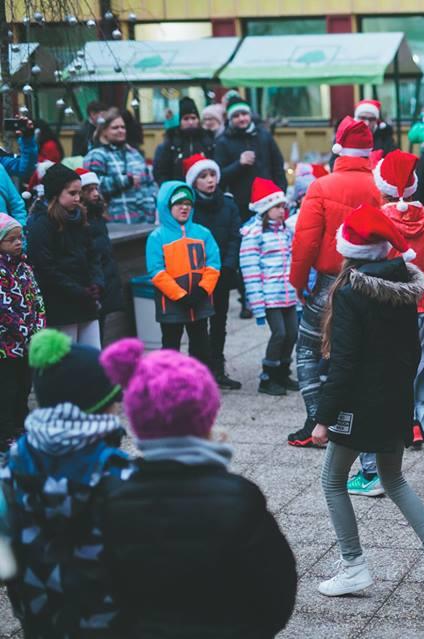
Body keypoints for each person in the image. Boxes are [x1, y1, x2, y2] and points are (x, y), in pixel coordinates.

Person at [98, 338, 297, 636]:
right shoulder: (240, 498)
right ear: (208, 412)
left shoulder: (111, 498)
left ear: (138, 419)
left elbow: (97, 587)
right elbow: (277, 590)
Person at [311, 203, 424, 597]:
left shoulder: (350, 292)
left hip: (358, 405)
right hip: (396, 400)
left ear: (350, 250)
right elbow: (413, 352)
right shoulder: (404, 287)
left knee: (332, 481)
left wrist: (324, 418)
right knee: (393, 478)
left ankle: (353, 566)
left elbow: (344, 362)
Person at [2, 329, 127, 636]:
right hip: (108, 621)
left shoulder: (12, 468)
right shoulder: (117, 474)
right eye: (114, 398)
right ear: (99, 407)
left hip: (38, 617)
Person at [355, 151, 424, 504]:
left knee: (373, 391)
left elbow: (360, 274)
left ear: (381, 187)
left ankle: (370, 473)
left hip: (381, 315)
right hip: (418, 313)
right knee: (421, 398)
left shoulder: (372, 222)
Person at [288, 117, 382, 448]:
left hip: (330, 283)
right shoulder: (380, 187)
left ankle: (315, 420)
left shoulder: (321, 186)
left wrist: (299, 282)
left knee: (308, 349)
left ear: (338, 148)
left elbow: (305, 241)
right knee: (360, 352)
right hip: (372, 281)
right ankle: (353, 421)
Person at [25, 164, 103, 346]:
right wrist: (78, 290)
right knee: (68, 356)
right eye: (72, 193)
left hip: (86, 300)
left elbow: (93, 255)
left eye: (79, 193)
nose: (78, 198)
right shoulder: (42, 224)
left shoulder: (80, 218)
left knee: (93, 354)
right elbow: (45, 268)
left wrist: (97, 282)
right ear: (56, 193)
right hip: (60, 304)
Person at [147, 181, 221, 368]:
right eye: (179, 203)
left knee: (201, 348)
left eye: (188, 203)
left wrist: (203, 290)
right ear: (167, 206)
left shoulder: (203, 233)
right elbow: (157, 272)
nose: (184, 207)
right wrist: (180, 295)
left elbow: (213, 264)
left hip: (200, 301)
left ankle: (199, 380)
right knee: (171, 348)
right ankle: (169, 381)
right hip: (171, 304)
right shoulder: (157, 237)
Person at [185, 153, 243, 390]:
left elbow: (234, 237)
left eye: (212, 175)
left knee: (219, 322)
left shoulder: (228, 204)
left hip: (222, 273)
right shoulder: (188, 208)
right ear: (193, 181)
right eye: (203, 176)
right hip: (197, 275)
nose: (210, 180)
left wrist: (228, 266)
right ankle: (198, 371)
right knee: (198, 324)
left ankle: (217, 369)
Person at [241, 178, 301, 396]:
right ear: (265, 209)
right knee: (279, 334)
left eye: (283, 206)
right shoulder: (253, 234)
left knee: (292, 333)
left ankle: (283, 372)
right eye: (277, 207)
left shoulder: (286, 232)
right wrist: (257, 303)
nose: (282, 211)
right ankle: (268, 377)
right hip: (269, 296)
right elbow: (250, 270)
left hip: (288, 294)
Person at [0, 212, 44, 449]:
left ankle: (21, 425)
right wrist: (24, 333)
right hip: (6, 345)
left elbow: (37, 298)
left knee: (24, 386)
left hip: (27, 343)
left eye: (20, 238)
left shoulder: (24, 267)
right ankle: (5, 433)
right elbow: (3, 308)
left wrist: (38, 328)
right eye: (11, 240)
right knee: (6, 389)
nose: (18, 243)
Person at [213, 94, 287, 219]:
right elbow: (219, 176)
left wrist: (280, 192)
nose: (241, 119)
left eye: (244, 114)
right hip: (240, 204)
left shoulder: (264, 136)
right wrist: (239, 164)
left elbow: (278, 166)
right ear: (230, 119)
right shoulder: (223, 142)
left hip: (269, 202)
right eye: (236, 116)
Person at [83, 108, 157, 224]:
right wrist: (125, 180)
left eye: (123, 127)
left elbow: (150, 183)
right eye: (115, 128)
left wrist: (153, 204)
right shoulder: (96, 155)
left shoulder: (134, 153)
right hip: (116, 223)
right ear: (104, 131)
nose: (120, 130)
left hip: (145, 221)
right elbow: (92, 188)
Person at [75, 169, 123, 322]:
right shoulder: (79, 219)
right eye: (90, 190)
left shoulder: (97, 215)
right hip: (92, 282)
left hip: (104, 278)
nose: (96, 194)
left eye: (96, 189)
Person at [153, 97, 216, 184]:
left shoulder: (208, 140)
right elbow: (160, 172)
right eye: (186, 119)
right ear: (180, 121)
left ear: (198, 120)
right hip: (177, 188)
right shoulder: (171, 142)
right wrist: (171, 189)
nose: (190, 122)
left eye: (193, 118)